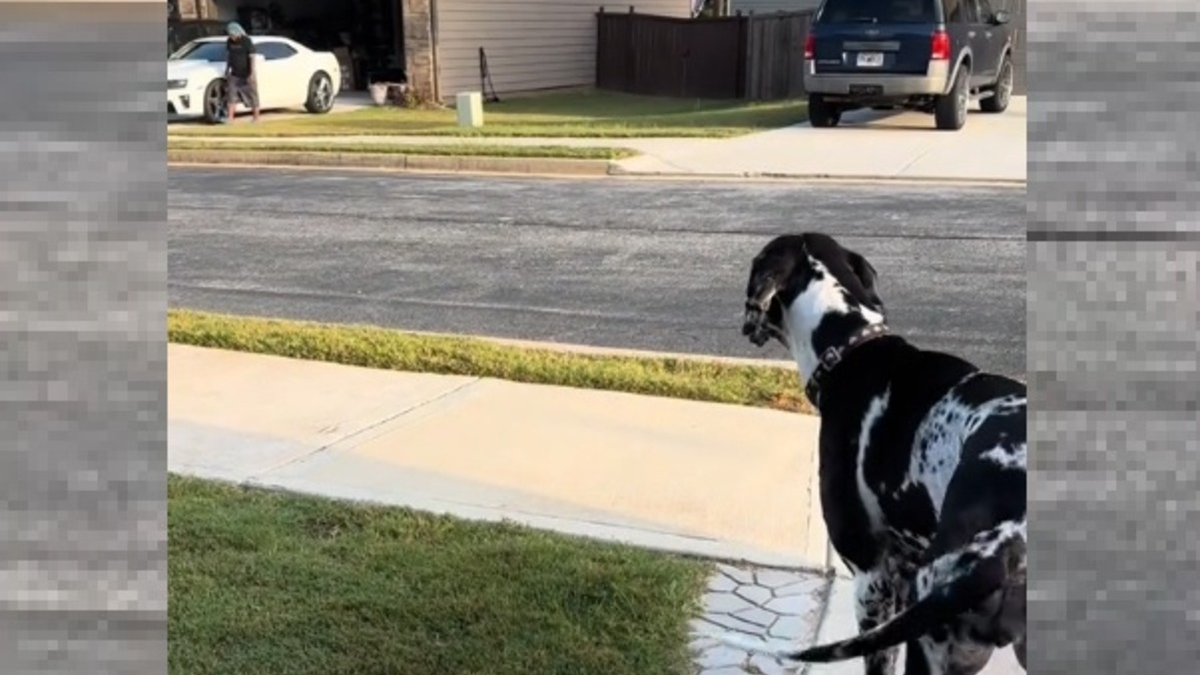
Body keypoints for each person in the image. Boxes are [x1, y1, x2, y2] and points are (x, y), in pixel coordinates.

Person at [224, 22, 259, 123]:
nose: (232, 37)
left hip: (247, 73)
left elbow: (252, 57)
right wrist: (227, 69)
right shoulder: (229, 42)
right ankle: (230, 118)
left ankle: (256, 117)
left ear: (238, 32)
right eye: (230, 35)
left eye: (233, 35)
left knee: (252, 95)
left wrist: (252, 72)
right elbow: (228, 56)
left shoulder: (246, 41)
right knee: (231, 95)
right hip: (234, 73)